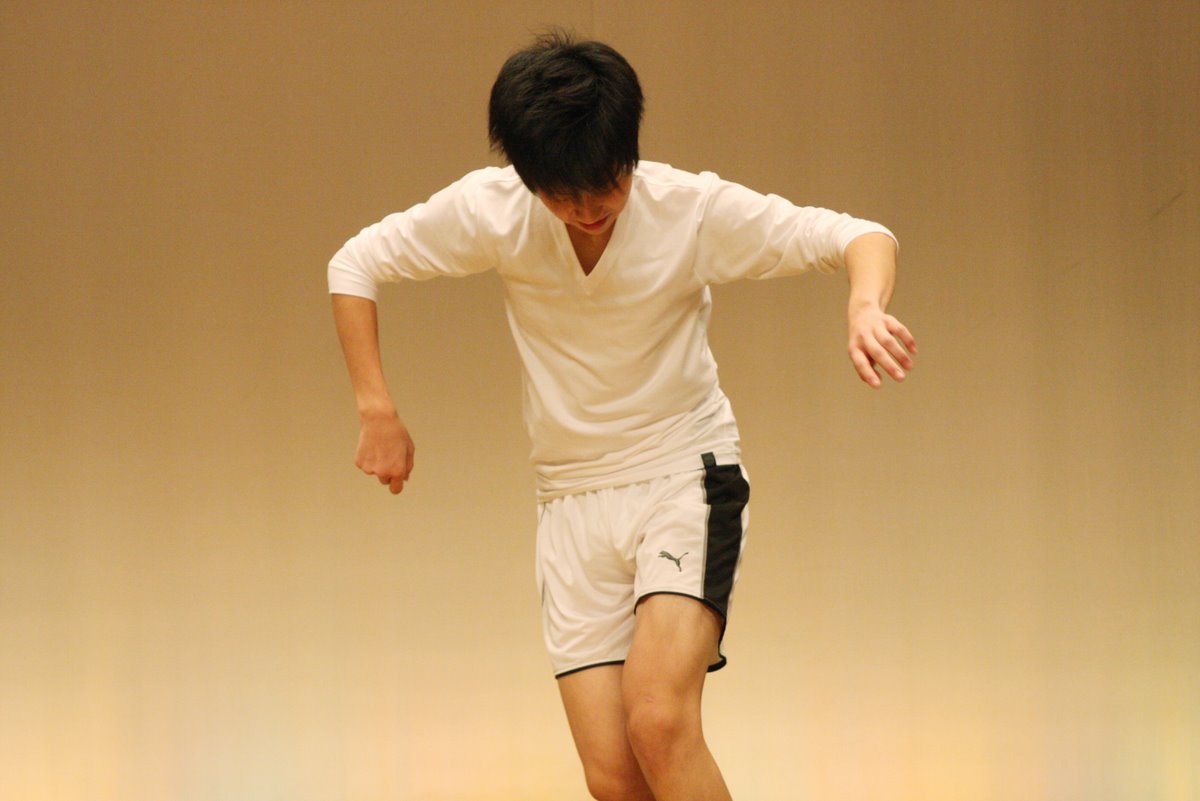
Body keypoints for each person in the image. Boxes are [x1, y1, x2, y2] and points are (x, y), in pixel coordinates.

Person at [328, 30, 915, 801]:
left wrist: (865, 305)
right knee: (613, 774)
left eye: (605, 184)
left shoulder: (687, 210)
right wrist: (377, 408)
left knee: (658, 719)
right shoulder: (494, 210)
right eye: (560, 195)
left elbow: (858, 235)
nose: (586, 209)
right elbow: (355, 263)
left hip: (683, 476)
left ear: (629, 154)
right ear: (527, 177)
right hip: (570, 499)